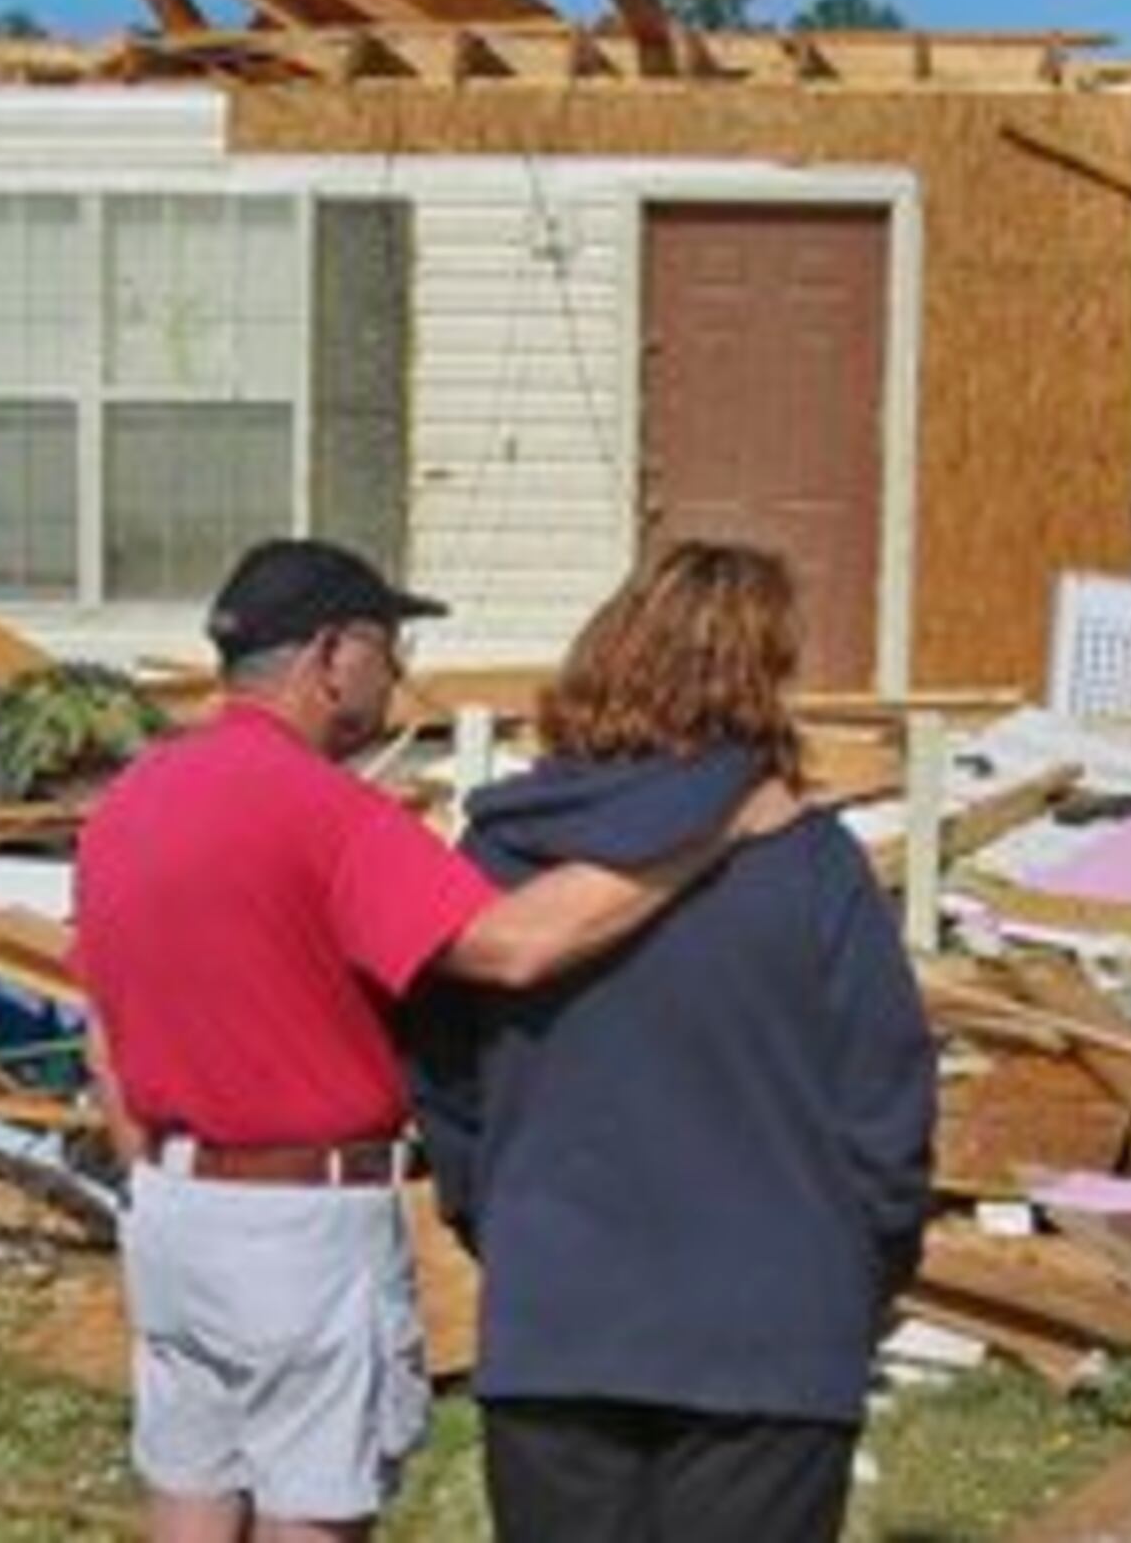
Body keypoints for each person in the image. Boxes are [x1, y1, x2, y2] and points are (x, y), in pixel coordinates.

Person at [73, 539, 785, 1543]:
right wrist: (712, 835)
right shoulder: (328, 810)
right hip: (301, 1220)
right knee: (311, 1507)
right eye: (387, 647)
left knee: (191, 1494)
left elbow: (104, 1032)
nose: (397, 674)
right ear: (330, 653)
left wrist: (150, 1168)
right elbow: (515, 946)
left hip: (172, 1206)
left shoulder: (131, 799)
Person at [411, 543, 939, 1543]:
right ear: (764, 680)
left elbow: (444, 1078)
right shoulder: (811, 864)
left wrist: (502, 1219)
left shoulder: (503, 855)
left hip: (560, 1312)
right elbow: (886, 1100)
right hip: (771, 1325)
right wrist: (865, 1267)